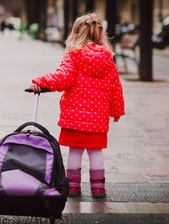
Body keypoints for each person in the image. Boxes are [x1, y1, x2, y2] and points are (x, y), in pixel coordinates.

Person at [29, 12, 125, 198]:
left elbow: (62, 78)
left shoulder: (74, 55)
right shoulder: (108, 58)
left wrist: (40, 81)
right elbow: (116, 87)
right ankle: (98, 188)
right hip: (98, 118)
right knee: (96, 151)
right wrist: (116, 110)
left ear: (76, 33)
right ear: (99, 34)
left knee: (75, 151)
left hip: (75, 116)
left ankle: (72, 187)